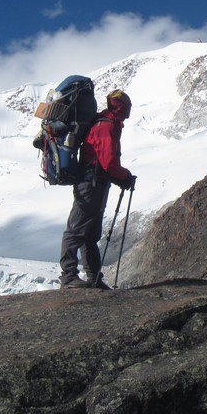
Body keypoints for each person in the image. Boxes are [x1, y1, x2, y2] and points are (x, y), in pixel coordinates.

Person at [60, 89, 136, 289]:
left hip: (94, 183)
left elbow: (106, 162)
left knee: (89, 233)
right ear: (121, 108)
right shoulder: (106, 126)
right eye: (126, 107)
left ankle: (93, 277)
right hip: (91, 183)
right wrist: (125, 176)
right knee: (77, 230)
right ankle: (69, 276)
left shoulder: (105, 123)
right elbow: (108, 162)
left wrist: (120, 177)